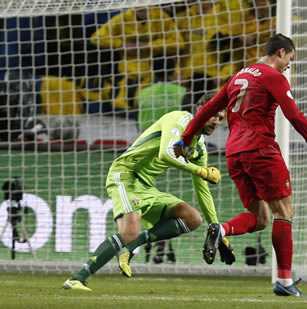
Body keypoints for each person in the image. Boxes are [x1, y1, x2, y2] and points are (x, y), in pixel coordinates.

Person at [173, 33, 307, 297]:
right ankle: (285, 281)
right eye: (290, 58)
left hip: (234, 153)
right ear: (280, 53)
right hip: (261, 150)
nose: (289, 65)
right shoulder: (273, 76)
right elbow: (293, 114)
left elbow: (208, 107)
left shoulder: (238, 76)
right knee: (284, 212)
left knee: (260, 218)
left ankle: (221, 229)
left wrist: (184, 140)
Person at [62, 93, 234, 291]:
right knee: (129, 232)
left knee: (192, 218)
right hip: (125, 174)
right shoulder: (179, 119)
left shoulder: (200, 149)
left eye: (221, 118)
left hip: (146, 186)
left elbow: (202, 190)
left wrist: (216, 229)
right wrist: (201, 171)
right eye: (214, 115)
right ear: (201, 109)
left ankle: (132, 247)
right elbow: (166, 153)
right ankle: (77, 278)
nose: (217, 121)